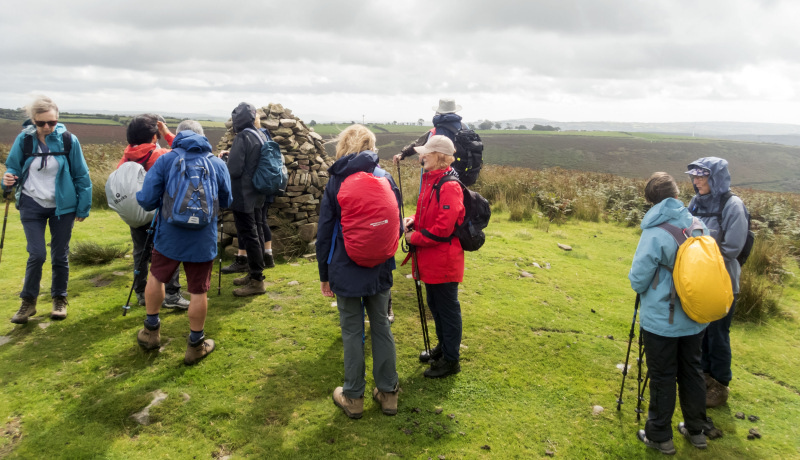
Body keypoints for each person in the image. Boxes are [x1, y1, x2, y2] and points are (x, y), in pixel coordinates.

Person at [316, 124, 401, 419]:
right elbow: (397, 223)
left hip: (345, 266)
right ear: (371, 145)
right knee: (381, 325)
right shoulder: (385, 177)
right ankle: (388, 393)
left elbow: (325, 232)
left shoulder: (337, 181)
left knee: (352, 330)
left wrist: (324, 274)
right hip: (380, 267)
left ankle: (353, 397)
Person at [629, 172, 714, 455]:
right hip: (695, 314)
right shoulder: (698, 224)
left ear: (650, 200)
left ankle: (660, 436)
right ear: (677, 195)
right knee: (691, 370)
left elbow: (639, 279)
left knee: (663, 374)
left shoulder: (655, 231)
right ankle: (696, 430)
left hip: (661, 319)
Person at [135, 125, 232, 365]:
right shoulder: (217, 163)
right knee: (198, 291)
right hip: (203, 239)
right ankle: (195, 346)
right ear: (202, 136)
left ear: (178, 135)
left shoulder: (166, 160)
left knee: (156, 278)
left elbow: (147, 201)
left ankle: (151, 332)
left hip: (169, 235)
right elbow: (228, 199)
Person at [3, 96, 92, 324]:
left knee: (60, 254)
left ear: (57, 119)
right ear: (33, 120)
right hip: (31, 203)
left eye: (52, 122)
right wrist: (7, 181)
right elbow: (12, 167)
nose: (47, 127)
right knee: (37, 254)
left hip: (63, 207)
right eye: (42, 123)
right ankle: (28, 302)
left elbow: (82, 175)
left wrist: (83, 206)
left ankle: (59, 299)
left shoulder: (69, 140)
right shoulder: (23, 140)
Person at [686, 158, 749, 407]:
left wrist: (699, 251)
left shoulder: (734, 206)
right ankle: (702, 377)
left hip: (723, 283)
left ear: (717, 178)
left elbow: (733, 248)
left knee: (718, 334)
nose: (696, 180)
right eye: (694, 176)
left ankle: (720, 386)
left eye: (702, 176)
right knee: (700, 332)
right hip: (699, 281)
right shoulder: (695, 203)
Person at [403, 135, 465, 379]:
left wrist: (414, 238)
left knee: (447, 310)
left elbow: (443, 229)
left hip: (444, 260)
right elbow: (429, 214)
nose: (421, 156)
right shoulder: (432, 181)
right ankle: (443, 348)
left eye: (426, 152)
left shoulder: (449, 186)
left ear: (439, 156)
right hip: (431, 259)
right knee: (435, 306)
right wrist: (414, 221)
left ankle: (451, 361)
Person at [118, 114, 190, 309]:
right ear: (153, 136)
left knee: (140, 252)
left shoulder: (126, 157)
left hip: (136, 213)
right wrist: (167, 133)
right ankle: (172, 294)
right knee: (168, 251)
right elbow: (187, 149)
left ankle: (141, 293)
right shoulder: (160, 155)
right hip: (160, 212)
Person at [222, 102, 268, 296]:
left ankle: (257, 281)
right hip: (257, 192)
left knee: (249, 235)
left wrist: (224, 159)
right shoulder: (260, 134)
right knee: (255, 232)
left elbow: (234, 169)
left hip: (243, 194)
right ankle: (253, 274)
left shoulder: (242, 137)